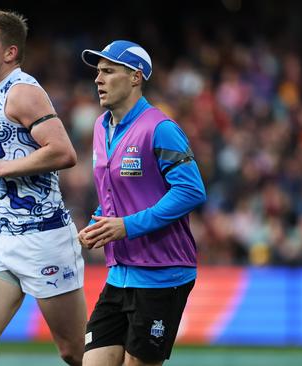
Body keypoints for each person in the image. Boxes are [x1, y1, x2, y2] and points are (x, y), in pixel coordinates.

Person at [0, 10, 86, 366]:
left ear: (10, 53)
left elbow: (64, 152)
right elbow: (9, 158)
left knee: (75, 353)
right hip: (2, 237)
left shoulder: (23, 91)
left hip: (44, 239)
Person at [77, 40, 206, 366]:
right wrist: (98, 225)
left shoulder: (160, 128)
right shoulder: (99, 127)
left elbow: (191, 191)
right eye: (97, 72)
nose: (98, 79)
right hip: (119, 274)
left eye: (108, 71)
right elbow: (114, 196)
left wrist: (126, 227)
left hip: (162, 274)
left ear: (135, 76)